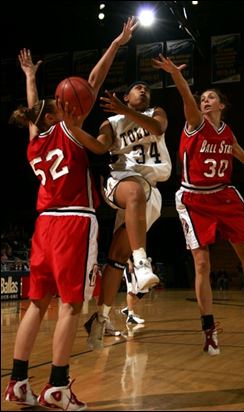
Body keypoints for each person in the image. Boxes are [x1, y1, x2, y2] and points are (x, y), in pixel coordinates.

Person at [4, 18, 137, 411]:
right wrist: (117, 42)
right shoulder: (71, 129)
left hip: (43, 226)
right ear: (57, 112)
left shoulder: (34, 144)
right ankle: (57, 386)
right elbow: (94, 81)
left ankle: (17, 382)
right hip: (75, 221)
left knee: (36, 304)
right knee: (70, 306)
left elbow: (32, 112)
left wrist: (30, 77)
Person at [152, 54, 244, 356]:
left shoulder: (226, 132)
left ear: (221, 105)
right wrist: (176, 75)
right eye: (202, 97)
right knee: (202, 263)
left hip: (224, 195)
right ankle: (208, 328)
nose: (205, 101)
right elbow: (185, 95)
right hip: (194, 199)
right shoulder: (195, 123)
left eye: (210, 97)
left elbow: (242, 157)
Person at [82, 80, 172, 349]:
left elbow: (157, 129)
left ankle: (100, 317)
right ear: (125, 96)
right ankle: (143, 263)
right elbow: (99, 147)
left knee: (117, 257)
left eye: (146, 88)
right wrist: (74, 129)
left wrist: (126, 109)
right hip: (121, 182)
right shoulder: (112, 122)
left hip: (151, 190)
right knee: (133, 192)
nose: (143, 90)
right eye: (137, 88)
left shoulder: (156, 112)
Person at [121, 257, 150, 325]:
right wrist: (129, 263)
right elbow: (125, 252)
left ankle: (128, 309)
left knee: (144, 290)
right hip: (130, 266)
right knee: (131, 290)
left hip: (138, 268)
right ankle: (130, 316)